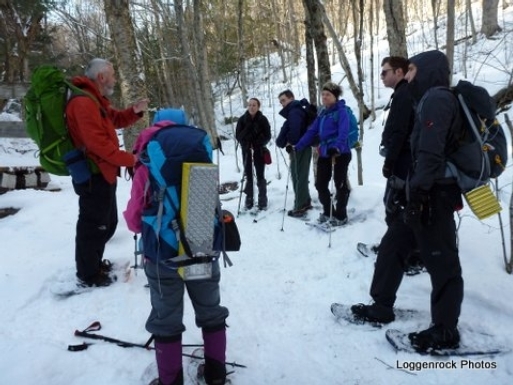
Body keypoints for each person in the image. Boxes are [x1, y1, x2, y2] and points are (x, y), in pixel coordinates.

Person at [124, 110, 229, 385]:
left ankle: (170, 381)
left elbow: (134, 219)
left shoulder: (148, 160)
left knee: (166, 317)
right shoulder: (200, 153)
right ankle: (216, 376)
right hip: (201, 245)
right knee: (211, 310)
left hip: (162, 253)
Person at [66, 58, 148, 287]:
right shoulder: (83, 103)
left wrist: (134, 111)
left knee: (107, 222)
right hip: (92, 173)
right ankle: (87, 275)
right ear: (101, 77)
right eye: (112, 75)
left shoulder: (95, 100)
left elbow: (115, 119)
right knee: (93, 225)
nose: (114, 79)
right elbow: (97, 144)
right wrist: (129, 159)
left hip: (103, 172)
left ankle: (94, 264)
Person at [351, 56, 419, 324]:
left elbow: (401, 131)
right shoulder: (407, 95)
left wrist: (390, 163)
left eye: (385, 72)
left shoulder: (405, 96)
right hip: (412, 174)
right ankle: (412, 255)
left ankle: (382, 304)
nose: (381, 76)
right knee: (404, 223)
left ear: (400, 72)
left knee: (397, 221)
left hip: (406, 173)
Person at [404, 50, 464, 352]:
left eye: (412, 70)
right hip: (434, 190)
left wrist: (419, 194)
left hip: (436, 193)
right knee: (431, 254)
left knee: (443, 261)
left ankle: (445, 331)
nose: (407, 75)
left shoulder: (437, 99)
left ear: (427, 71)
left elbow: (430, 152)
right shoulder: (430, 98)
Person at [293, 82, 351, 225]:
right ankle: (328, 211)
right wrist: (298, 146)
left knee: (340, 183)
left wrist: (337, 147)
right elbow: (312, 131)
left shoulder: (341, 111)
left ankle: (341, 215)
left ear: (335, 97)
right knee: (320, 184)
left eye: (328, 95)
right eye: (323, 94)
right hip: (324, 152)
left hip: (340, 153)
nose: (324, 97)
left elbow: (344, 132)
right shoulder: (322, 113)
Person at [276, 90, 313, 217]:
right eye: (280, 101)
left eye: (284, 100)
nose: (282, 103)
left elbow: (295, 130)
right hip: (301, 146)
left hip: (299, 147)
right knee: (299, 174)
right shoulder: (295, 110)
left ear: (292, 98)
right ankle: (305, 201)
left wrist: (290, 143)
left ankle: (300, 205)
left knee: (298, 176)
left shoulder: (295, 110)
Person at [235, 97, 271, 210]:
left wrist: (258, 143)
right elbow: (238, 136)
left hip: (259, 150)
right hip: (246, 150)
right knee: (249, 175)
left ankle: (262, 200)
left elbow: (267, 135)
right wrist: (247, 135)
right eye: (250, 105)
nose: (251, 107)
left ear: (258, 106)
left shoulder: (263, 119)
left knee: (260, 175)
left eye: (254, 105)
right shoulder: (242, 120)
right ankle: (249, 199)